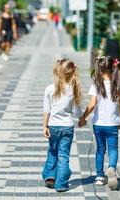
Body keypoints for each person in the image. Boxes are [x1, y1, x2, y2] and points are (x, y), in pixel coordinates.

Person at [78, 56, 120, 189]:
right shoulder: (119, 85)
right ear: (113, 67)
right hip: (112, 124)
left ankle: (99, 177)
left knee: (100, 149)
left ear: (99, 69)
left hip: (98, 124)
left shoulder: (97, 85)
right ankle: (111, 168)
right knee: (113, 149)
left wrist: (83, 117)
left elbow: (92, 105)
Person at [42, 58, 83, 192]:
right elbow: (77, 110)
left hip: (53, 126)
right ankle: (61, 184)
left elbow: (46, 110)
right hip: (67, 127)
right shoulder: (73, 89)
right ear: (72, 72)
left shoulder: (49, 89)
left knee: (53, 151)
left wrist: (45, 126)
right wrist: (82, 120)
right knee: (63, 155)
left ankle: (49, 177)